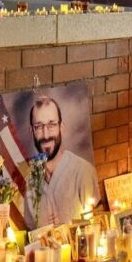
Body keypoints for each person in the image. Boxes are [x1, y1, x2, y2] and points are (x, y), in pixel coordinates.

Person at [24, 95, 100, 228]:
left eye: (52, 125)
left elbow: (98, 225)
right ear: (31, 132)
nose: (46, 135)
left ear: (61, 127)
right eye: (39, 127)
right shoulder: (29, 181)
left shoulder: (83, 172)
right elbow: (30, 233)